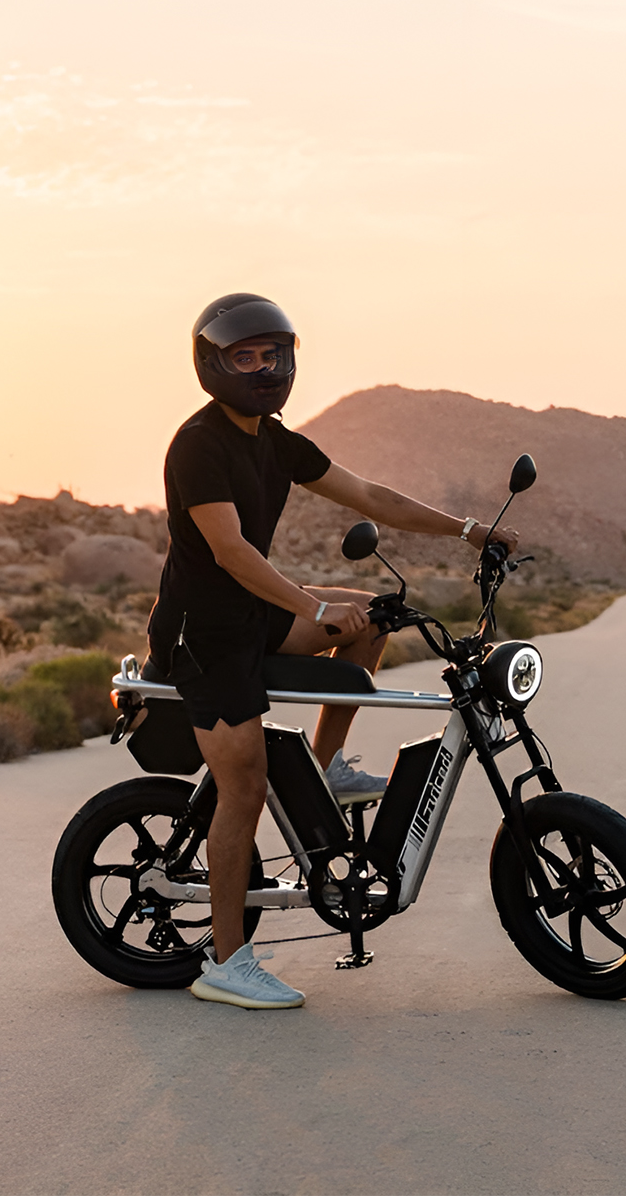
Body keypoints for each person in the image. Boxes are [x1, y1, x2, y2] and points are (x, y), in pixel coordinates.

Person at [149, 292, 519, 1009]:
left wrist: (468, 529)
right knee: (245, 787)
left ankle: (325, 767)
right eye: (244, 356)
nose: (262, 368)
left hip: (251, 618)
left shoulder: (275, 440)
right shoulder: (198, 445)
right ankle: (227, 963)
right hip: (204, 636)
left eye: (273, 354)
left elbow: (372, 496)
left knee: (373, 618)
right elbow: (227, 551)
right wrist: (310, 606)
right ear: (212, 364)